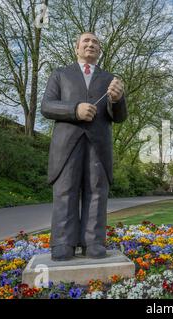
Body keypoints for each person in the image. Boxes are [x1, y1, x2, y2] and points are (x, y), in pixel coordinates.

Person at [41, 32, 127, 261]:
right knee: (65, 190)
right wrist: (74, 109)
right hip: (67, 144)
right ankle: (63, 243)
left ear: (99, 50)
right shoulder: (60, 74)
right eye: (86, 41)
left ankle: (94, 242)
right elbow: (47, 106)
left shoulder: (110, 79)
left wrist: (118, 100)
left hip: (98, 145)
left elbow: (119, 117)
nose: (91, 44)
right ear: (76, 48)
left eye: (95, 42)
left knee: (97, 191)